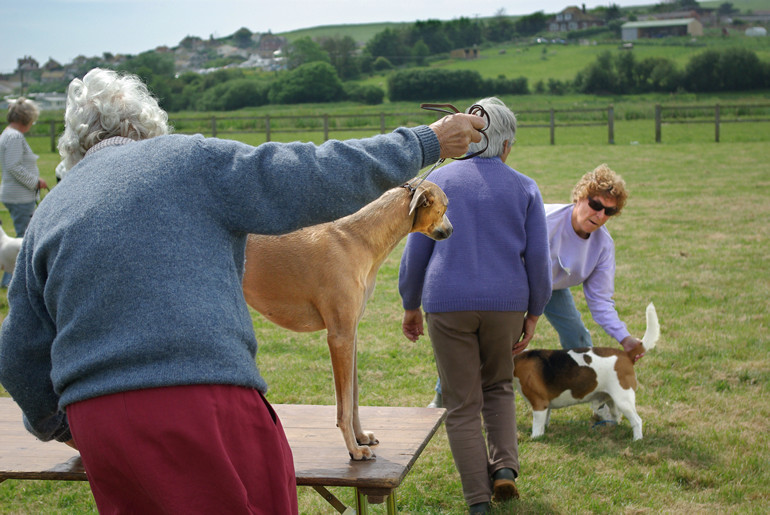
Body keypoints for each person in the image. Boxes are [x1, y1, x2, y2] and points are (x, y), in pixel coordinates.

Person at [0, 68, 485, 514]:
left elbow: (17, 356)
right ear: (149, 127)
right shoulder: (189, 160)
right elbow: (313, 171)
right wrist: (427, 140)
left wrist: (63, 425)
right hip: (208, 401)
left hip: (101, 421)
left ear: (76, 145)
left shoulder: (49, 213)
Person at [398, 97, 552, 514]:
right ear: (505, 145)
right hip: (507, 304)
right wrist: (535, 311)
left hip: (447, 302)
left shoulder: (438, 182)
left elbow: (417, 251)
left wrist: (410, 303)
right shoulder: (525, 187)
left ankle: (478, 502)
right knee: (499, 387)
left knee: (461, 403)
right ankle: (504, 470)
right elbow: (539, 259)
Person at [427, 164, 645, 414]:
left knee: (579, 338)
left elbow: (601, 303)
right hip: (511, 281)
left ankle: (599, 405)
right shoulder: (545, 220)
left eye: (610, 211)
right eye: (595, 205)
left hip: (552, 288)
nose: (600, 215)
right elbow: (501, 251)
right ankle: (441, 397)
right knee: (489, 341)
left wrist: (625, 338)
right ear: (580, 197)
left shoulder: (603, 246)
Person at [0, 97, 48, 287]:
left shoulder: (7, 134)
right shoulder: (14, 137)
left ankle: (10, 279)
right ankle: (12, 281)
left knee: (20, 239)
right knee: (24, 242)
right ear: (26, 120)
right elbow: (14, 166)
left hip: (14, 193)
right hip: (19, 195)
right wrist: (35, 182)